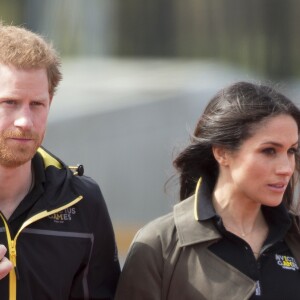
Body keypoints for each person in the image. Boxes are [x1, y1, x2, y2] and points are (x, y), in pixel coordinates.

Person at [115, 81, 300, 299]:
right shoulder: (159, 245)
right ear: (222, 152)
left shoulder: (294, 237)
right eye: (269, 150)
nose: (286, 168)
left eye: (291, 151)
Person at [0, 23, 120, 299]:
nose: (25, 121)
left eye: (37, 104)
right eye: (9, 102)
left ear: (50, 103)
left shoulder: (83, 202)